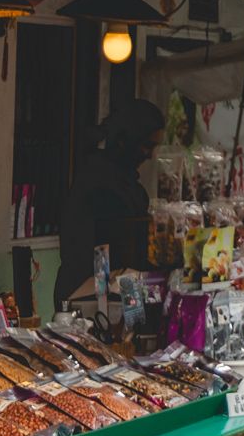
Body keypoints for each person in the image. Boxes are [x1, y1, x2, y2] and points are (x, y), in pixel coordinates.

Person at [56, 98, 165, 312]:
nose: (150, 155)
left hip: (106, 292)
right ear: (125, 140)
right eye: (147, 145)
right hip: (90, 298)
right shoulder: (102, 185)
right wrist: (127, 308)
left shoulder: (121, 182)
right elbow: (106, 258)